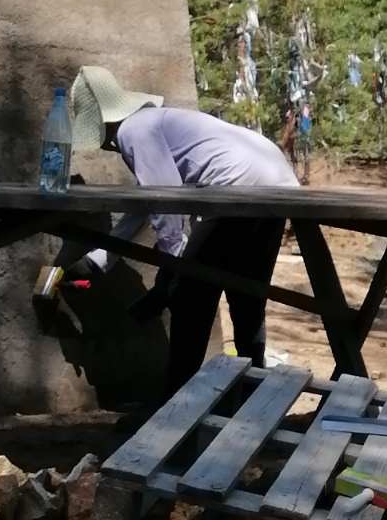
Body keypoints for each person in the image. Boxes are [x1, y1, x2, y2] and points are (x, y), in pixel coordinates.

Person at [67, 65, 298, 396]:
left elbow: (165, 202)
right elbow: (146, 206)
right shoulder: (152, 124)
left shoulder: (135, 132)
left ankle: (175, 402)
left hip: (238, 189)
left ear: (100, 125)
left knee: (191, 299)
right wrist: (99, 261)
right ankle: (251, 397)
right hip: (277, 183)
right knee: (247, 296)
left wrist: (175, 271)